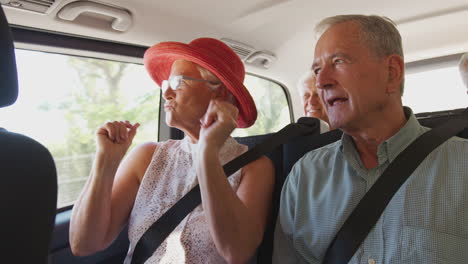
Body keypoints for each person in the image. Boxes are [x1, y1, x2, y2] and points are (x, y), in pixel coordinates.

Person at [273, 15, 468, 263]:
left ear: (391, 73)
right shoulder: (304, 177)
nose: (321, 82)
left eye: (338, 61)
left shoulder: (463, 165)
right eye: (317, 69)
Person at [69, 38, 275, 264]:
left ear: (219, 94)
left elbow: (237, 252)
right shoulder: (146, 157)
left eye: (178, 82)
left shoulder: (254, 167)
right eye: (166, 83)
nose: (166, 93)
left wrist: (206, 152)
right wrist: (105, 163)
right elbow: (84, 244)